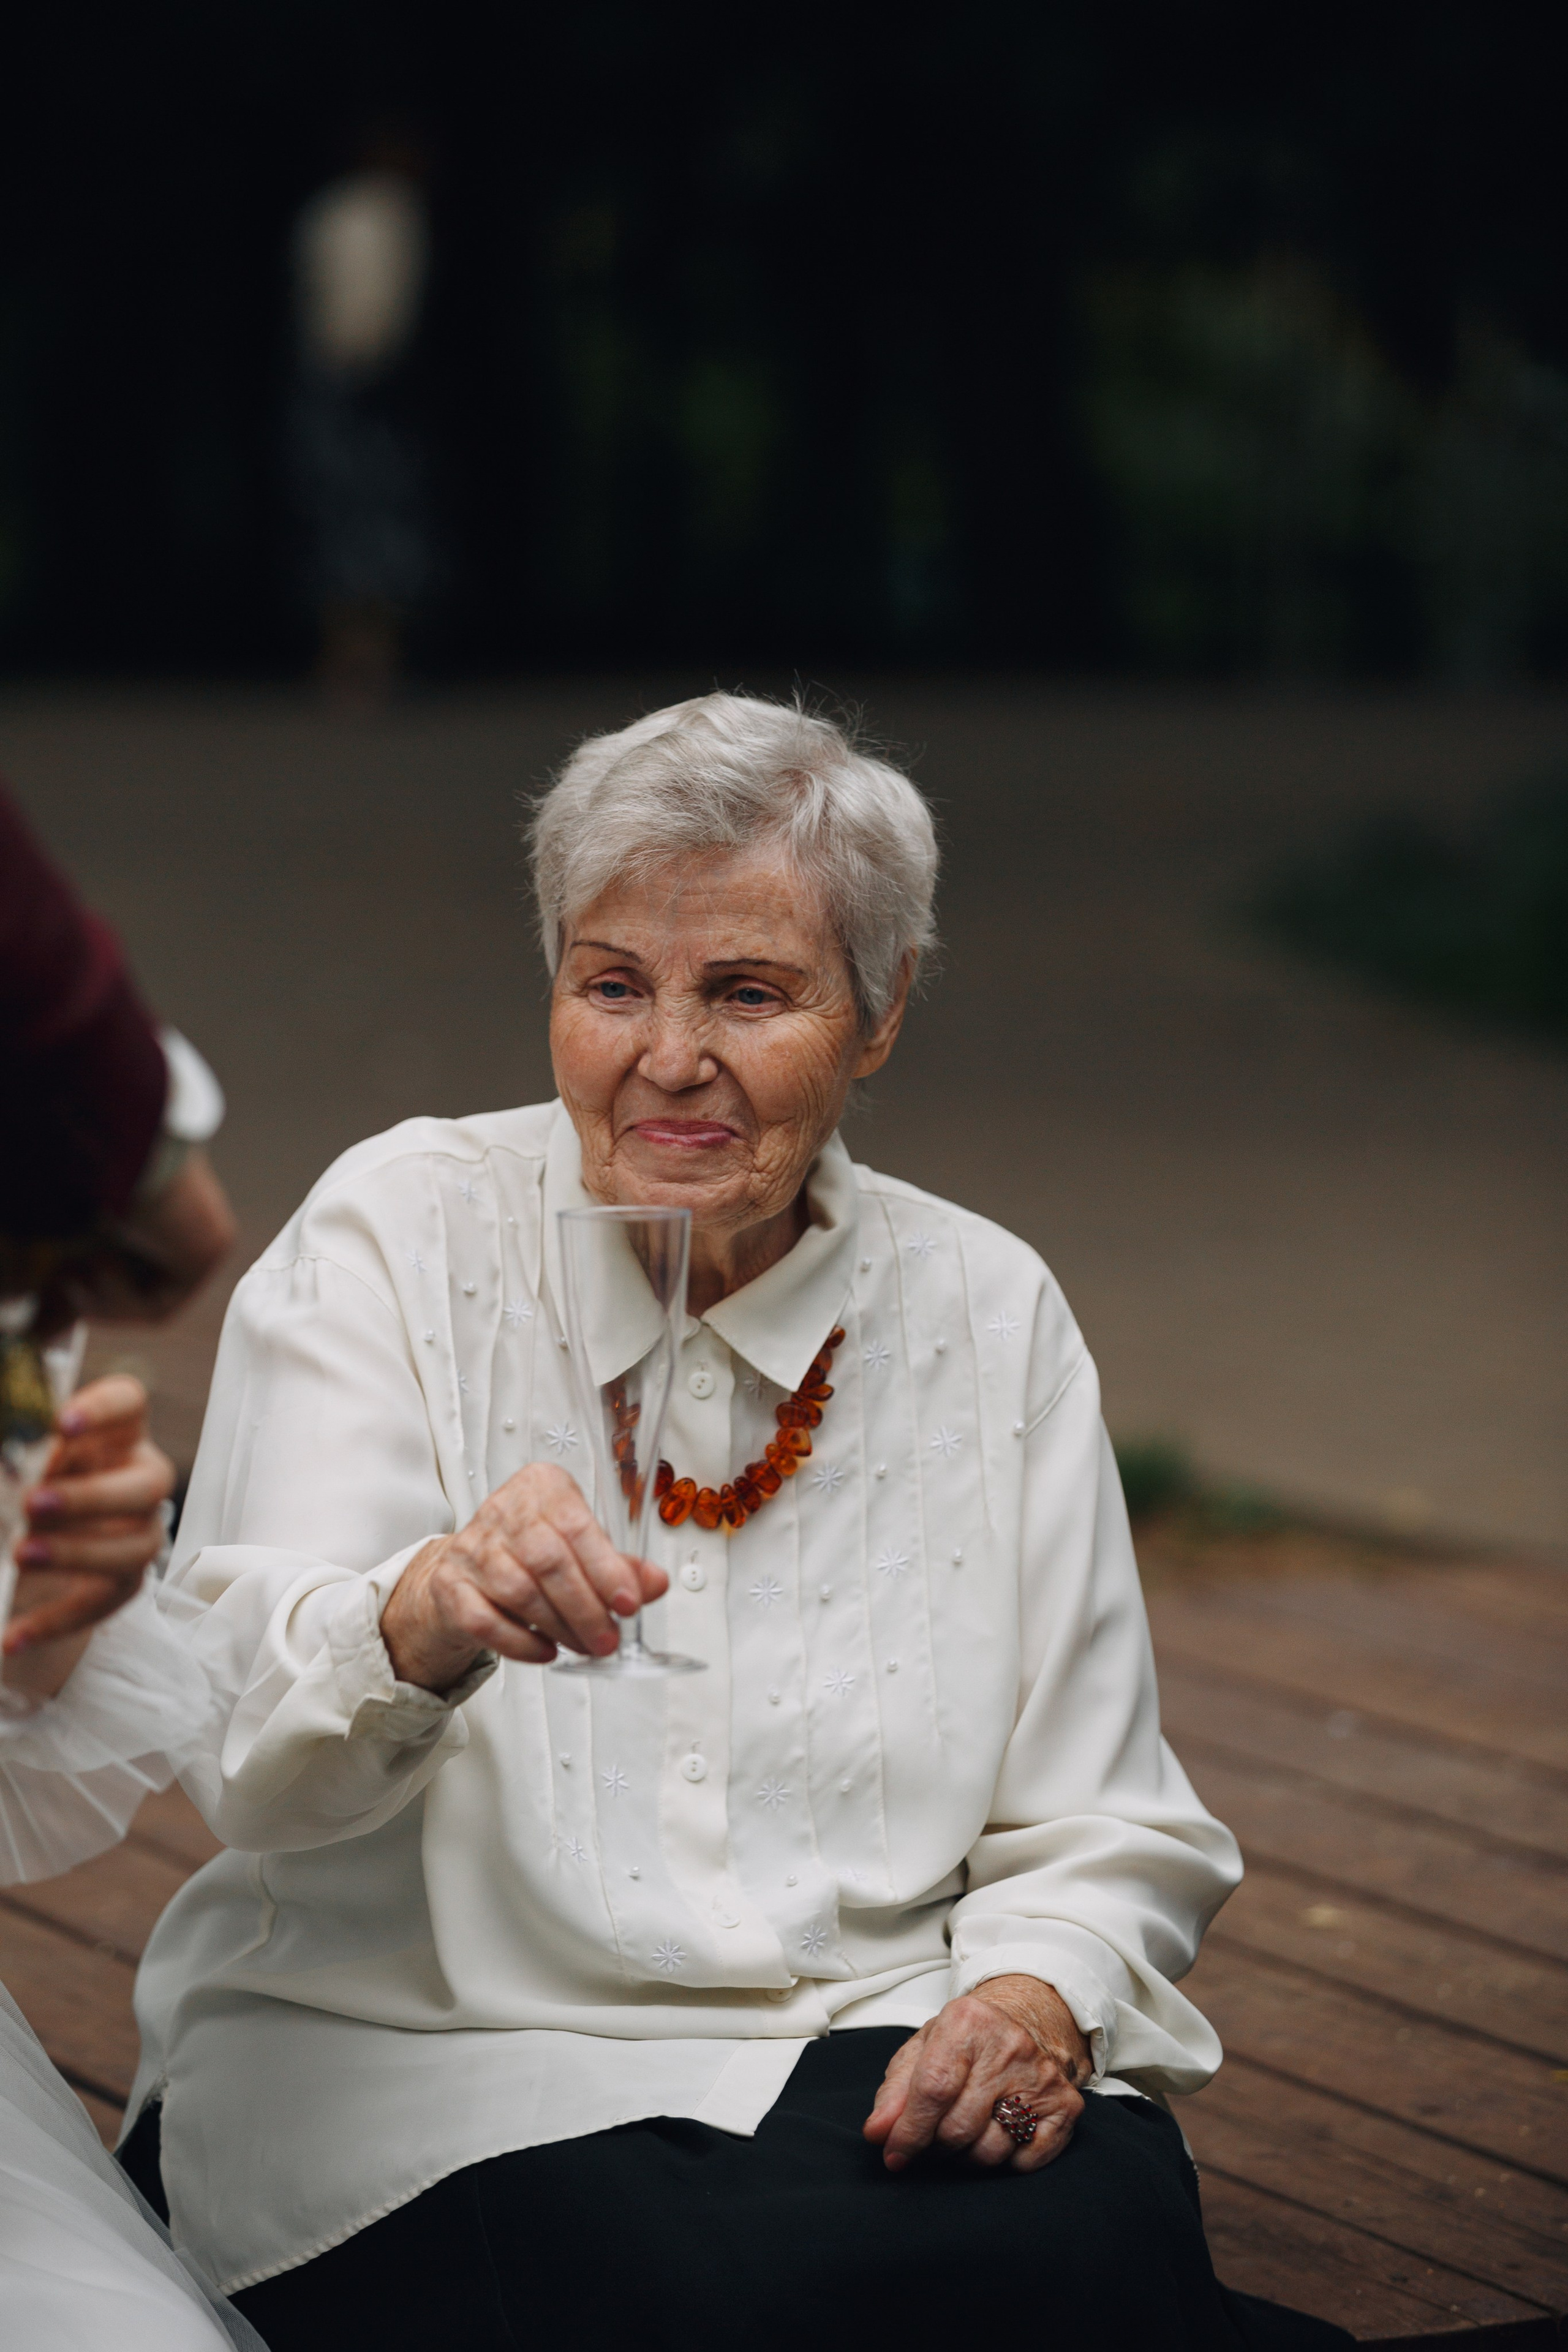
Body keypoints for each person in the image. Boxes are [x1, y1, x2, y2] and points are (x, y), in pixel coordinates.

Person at [126, 694, 1350, 2348]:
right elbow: (249, 1766)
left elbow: (1100, 1816)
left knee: (1102, 2233)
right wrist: (422, 1615)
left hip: (867, 2039)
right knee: (688, 2299)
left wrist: (1030, 1993)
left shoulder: (985, 1307)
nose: (670, 1057)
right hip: (438, 2063)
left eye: (750, 993)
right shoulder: (395, 1239)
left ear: (881, 1013)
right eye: (611, 984)